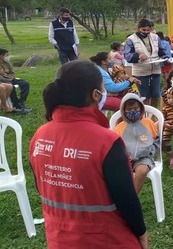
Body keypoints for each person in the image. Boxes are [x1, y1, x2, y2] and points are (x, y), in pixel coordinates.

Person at [29, 60, 148, 248]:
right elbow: (127, 198)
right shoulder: (106, 141)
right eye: (103, 87)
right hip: (107, 239)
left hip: (59, 238)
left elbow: (42, 187)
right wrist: (141, 232)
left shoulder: (40, 135)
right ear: (95, 94)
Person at [114, 93, 160, 194]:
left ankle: (133, 198)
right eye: (129, 110)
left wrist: (150, 152)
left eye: (135, 108)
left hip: (144, 158)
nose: (133, 111)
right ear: (123, 111)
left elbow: (156, 141)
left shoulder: (149, 123)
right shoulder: (119, 127)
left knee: (142, 170)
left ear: (141, 108)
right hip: (125, 159)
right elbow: (116, 146)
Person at [124, 18, 166, 108]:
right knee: (144, 95)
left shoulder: (155, 37)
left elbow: (162, 51)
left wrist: (165, 57)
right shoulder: (131, 39)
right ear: (138, 28)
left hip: (155, 69)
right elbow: (127, 56)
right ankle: (145, 114)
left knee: (156, 94)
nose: (146, 32)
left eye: (148, 30)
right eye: (143, 30)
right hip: (141, 71)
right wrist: (138, 56)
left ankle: (154, 115)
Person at [0, 48, 30, 112]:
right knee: (11, 86)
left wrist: (9, 76)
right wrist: (8, 77)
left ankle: (21, 102)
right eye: (6, 55)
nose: (8, 57)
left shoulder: (7, 63)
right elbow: (1, 78)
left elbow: (12, 73)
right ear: (1, 56)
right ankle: (15, 104)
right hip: (4, 81)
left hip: (10, 79)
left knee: (25, 83)